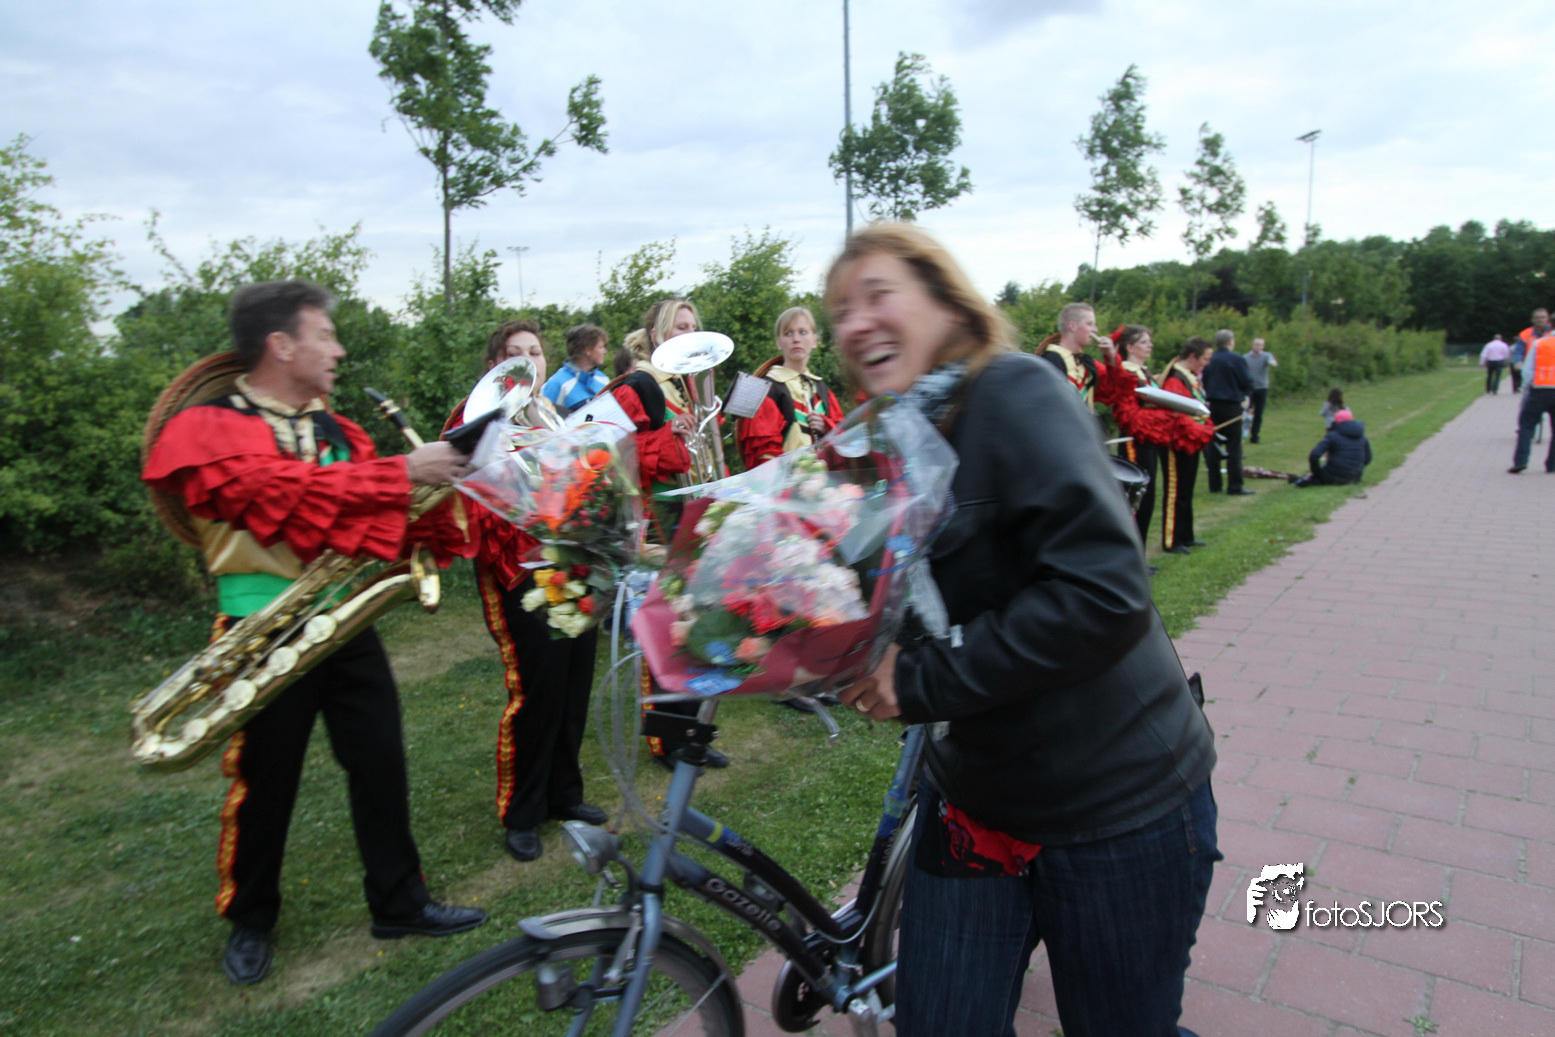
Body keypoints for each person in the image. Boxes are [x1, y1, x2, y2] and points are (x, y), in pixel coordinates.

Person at [827, 224, 1217, 1037]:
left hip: (1116, 802)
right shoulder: (881, 443)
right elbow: (860, 590)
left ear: (947, 303)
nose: (854, 323)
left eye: (877, 295)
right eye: (839, 312)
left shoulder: (1013, 391)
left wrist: (916, 680)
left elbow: (1101, 594)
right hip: (975, 796)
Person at [142, 281, 488, 987]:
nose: (339, 350)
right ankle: (250, 919)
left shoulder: (338, 430)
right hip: (260, 628)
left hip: (342, 616)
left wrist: (454, 484)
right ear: (281, 344)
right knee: (266, 778)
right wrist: (401, 472)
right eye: (325, 336)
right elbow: (283, 492)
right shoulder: (210, 425)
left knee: (381, 761)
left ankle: (400, 901)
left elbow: (370, 510)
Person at [444, 321, 607, 864]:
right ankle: (523, 810)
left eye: (535, 352)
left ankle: (565, 794)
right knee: (537, 689)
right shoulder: (472, 416)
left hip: (570, 560)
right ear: (495, 364)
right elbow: (471, 502)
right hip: (518, 570)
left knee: (574, 680)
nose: (527, 361)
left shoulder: (549, 412)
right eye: (514, 353)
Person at [734, 306, 844, 470]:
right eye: (788, 333)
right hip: (786, 482)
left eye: (803, 332)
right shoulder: (766, 389)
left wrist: (826, 427)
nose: (796, 339)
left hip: (826, 480)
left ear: (815, 340)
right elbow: (764, 457)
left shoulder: (823, 391)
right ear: (778, 342)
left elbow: (845, 443)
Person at [1159, 338, 1216, 555]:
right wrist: (1197, 430)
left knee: (1187, 489)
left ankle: (1186, 535)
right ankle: (1171, 539)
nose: (1206, 363)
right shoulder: (1175, 378)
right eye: (1205, 359)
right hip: (1179, 440)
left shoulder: (1189, 376)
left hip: (1191, 440)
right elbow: (1176, 413)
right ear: (1193, 357)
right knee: (1176, 490)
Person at [1201, 329, 1254, 495]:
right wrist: (1246, 394)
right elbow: (1247, 381)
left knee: (1213, 443)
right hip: (1231, 404)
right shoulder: (1236, 359)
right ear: (1231, 342)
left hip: (1212, 404)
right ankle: (1235, 485)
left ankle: (1215, 484)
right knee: (1234, 446)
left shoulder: (1210, 359)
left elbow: (1204, 380)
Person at [1034, 302, 1110, 410]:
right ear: (1073, 326)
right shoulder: (1051, 360)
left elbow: (1113, 393)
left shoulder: (1085, 362)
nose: (1095, 330)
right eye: (1089, 324)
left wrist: (1111, 357)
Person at [1509, 328, 1555, 474]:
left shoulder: (1540, 343)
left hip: (1539, 389)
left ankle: (1521, 461)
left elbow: (1528, 369)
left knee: (1527, 426)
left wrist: (1527, 387)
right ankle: (1552, 464)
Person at [541, 323, 612, 415]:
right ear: (588, 350)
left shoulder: (603, 379)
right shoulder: (556, 384)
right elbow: (544, 418)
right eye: (601, 347)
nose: (605, 351)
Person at [1291, 408, 1371, 486]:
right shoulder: (1362, 437)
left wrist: (1316, 472)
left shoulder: (1332, 436)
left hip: (1333, 476)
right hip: (1355, 477)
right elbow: (1368, 458)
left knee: (1315, 477)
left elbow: (1315, 455)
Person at [1244, 337, 1278, 442]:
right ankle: (1243, 434)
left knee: (1258, 413)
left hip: (1262, 387)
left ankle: (1255, 436)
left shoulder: (1266, 356)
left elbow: (1272, 362)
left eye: (1261, 345)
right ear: (1252, 345)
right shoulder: (1245, 357)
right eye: (1257, 344)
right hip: (1249, 388)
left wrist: (1272, 363)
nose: (1259, 347)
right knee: (1246, 413)